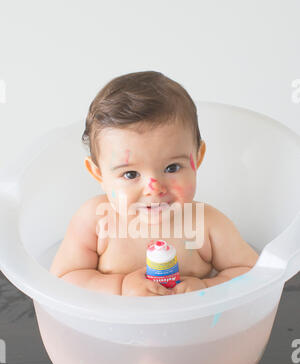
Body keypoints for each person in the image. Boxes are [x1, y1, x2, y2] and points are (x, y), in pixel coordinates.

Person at [50, 71, 258, 296]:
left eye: (172, 168)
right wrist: (121, 287)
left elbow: (253, 274)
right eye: (130, 174)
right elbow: (62, 280)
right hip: (112, 330)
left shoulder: (207, 224)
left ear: (197, 157)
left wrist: (205, 289)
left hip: (194, 328)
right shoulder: (95, 221)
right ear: (98, 174)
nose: (154, 188)